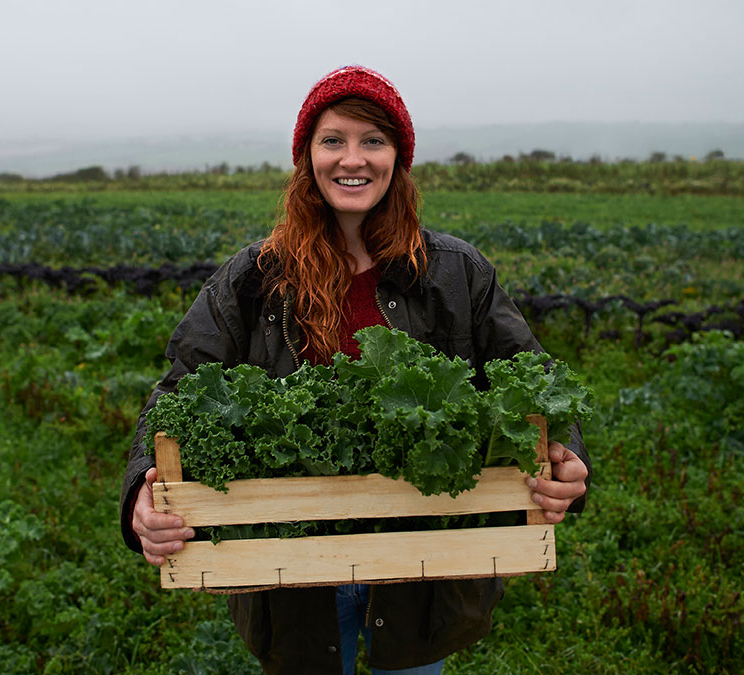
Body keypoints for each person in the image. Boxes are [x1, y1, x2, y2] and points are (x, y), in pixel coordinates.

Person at [119, 65, 591, 675]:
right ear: (307, 157)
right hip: (292, 574)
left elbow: (536, 378)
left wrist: (567, 458)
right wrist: (140, 493)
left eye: (373, 140)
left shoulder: (456, 273)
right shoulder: (251, 279)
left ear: (398, 157)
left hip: (425, 566)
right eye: (333, 140)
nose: (353, 158)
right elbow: (178, 390)